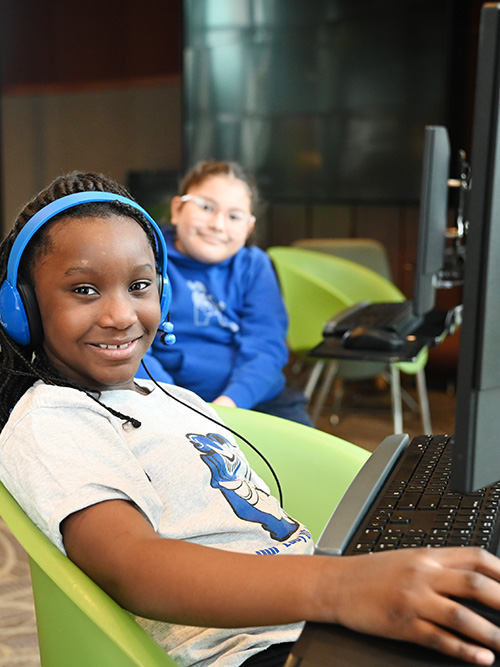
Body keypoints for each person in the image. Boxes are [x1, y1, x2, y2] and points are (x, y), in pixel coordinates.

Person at [1, 171, 500, 667]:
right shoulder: (53, 419)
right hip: (260, 650)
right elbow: (130, 565)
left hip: (319, 616)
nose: (121, 315)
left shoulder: (171, 397)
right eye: (85, 290)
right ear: (22, 308)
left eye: (139, 286)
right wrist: (344, 586)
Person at [135, 160, 314, 427]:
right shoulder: (144, 258)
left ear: (248, 228)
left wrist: (228, 406)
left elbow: (266, 348)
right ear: (177, 209)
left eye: (234, 217)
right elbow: (132, 345)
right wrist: (178, 406)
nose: (218, 224)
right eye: (206, 207)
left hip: (252, 399)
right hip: (163, 399)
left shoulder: (255, 266)